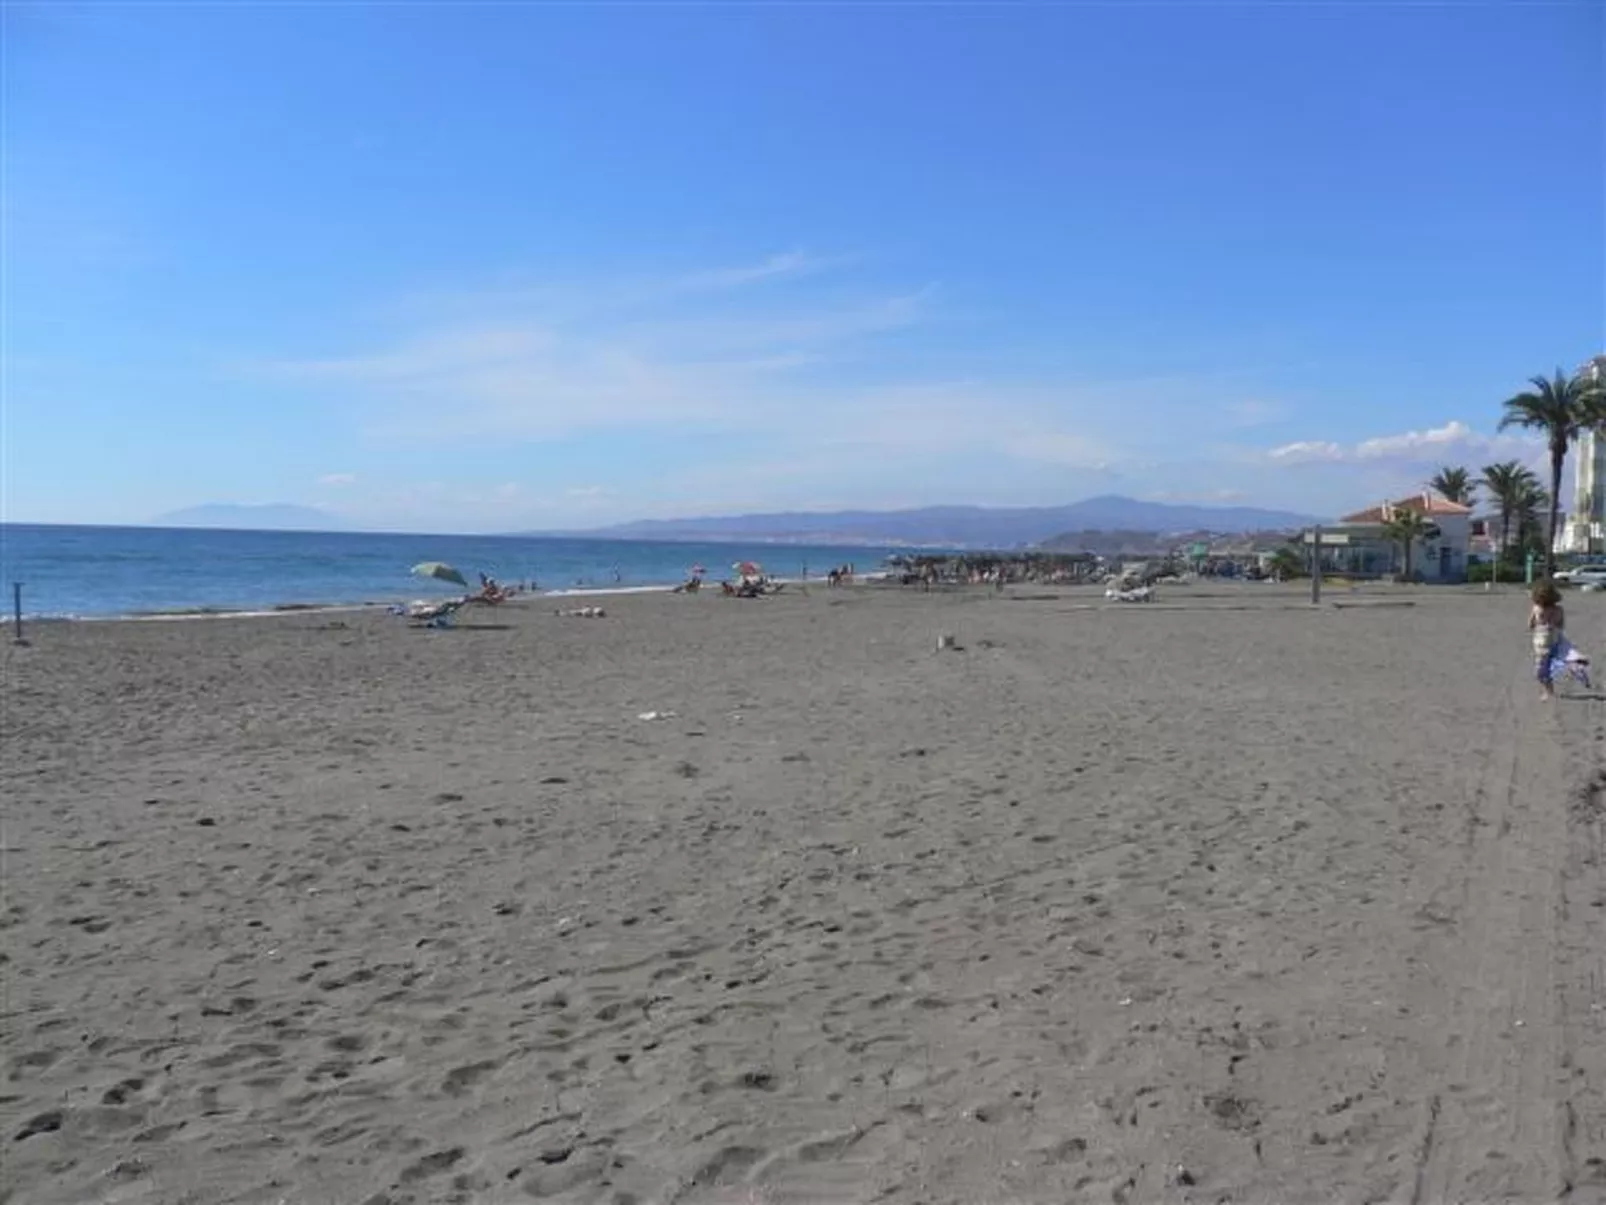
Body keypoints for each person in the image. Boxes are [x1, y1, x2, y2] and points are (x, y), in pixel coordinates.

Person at [1529, 579, 1566, 701]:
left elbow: (1530, 624)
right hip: (1554, 640)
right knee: (1547, 667)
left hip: (1541, 642)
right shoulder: (1559, 610)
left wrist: (1540, 622)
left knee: (1541, 670)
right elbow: (1561, 625)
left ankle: (1548, 691)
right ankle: (1549, 690)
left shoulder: (1536, 608)